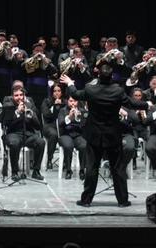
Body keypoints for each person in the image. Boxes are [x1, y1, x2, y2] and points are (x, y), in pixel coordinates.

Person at [61, 72, 150, 207]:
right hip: (112, 135)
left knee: (92, 168)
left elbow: (75, 94)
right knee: (118, 168)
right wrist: (146, 105)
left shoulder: (91, 90)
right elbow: (132, 104)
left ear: (99, 79)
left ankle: (86, 200)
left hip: (94, 135)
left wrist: (69, 83)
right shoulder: (118, 91)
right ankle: (122, 200)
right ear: (111, 78)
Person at [0, 83, 46, 181]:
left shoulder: (29, 104)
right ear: (12, 96)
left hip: (28, 134)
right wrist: (17, 112)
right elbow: (6, 124)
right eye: (16, 95)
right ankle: (15, 172)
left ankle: (36, 171)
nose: (19, 97)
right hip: (13, 134)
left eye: (21, 95)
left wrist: (32, 115)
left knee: (41, 142)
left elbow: (37, 126)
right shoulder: (8, 105)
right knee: (14, 143)